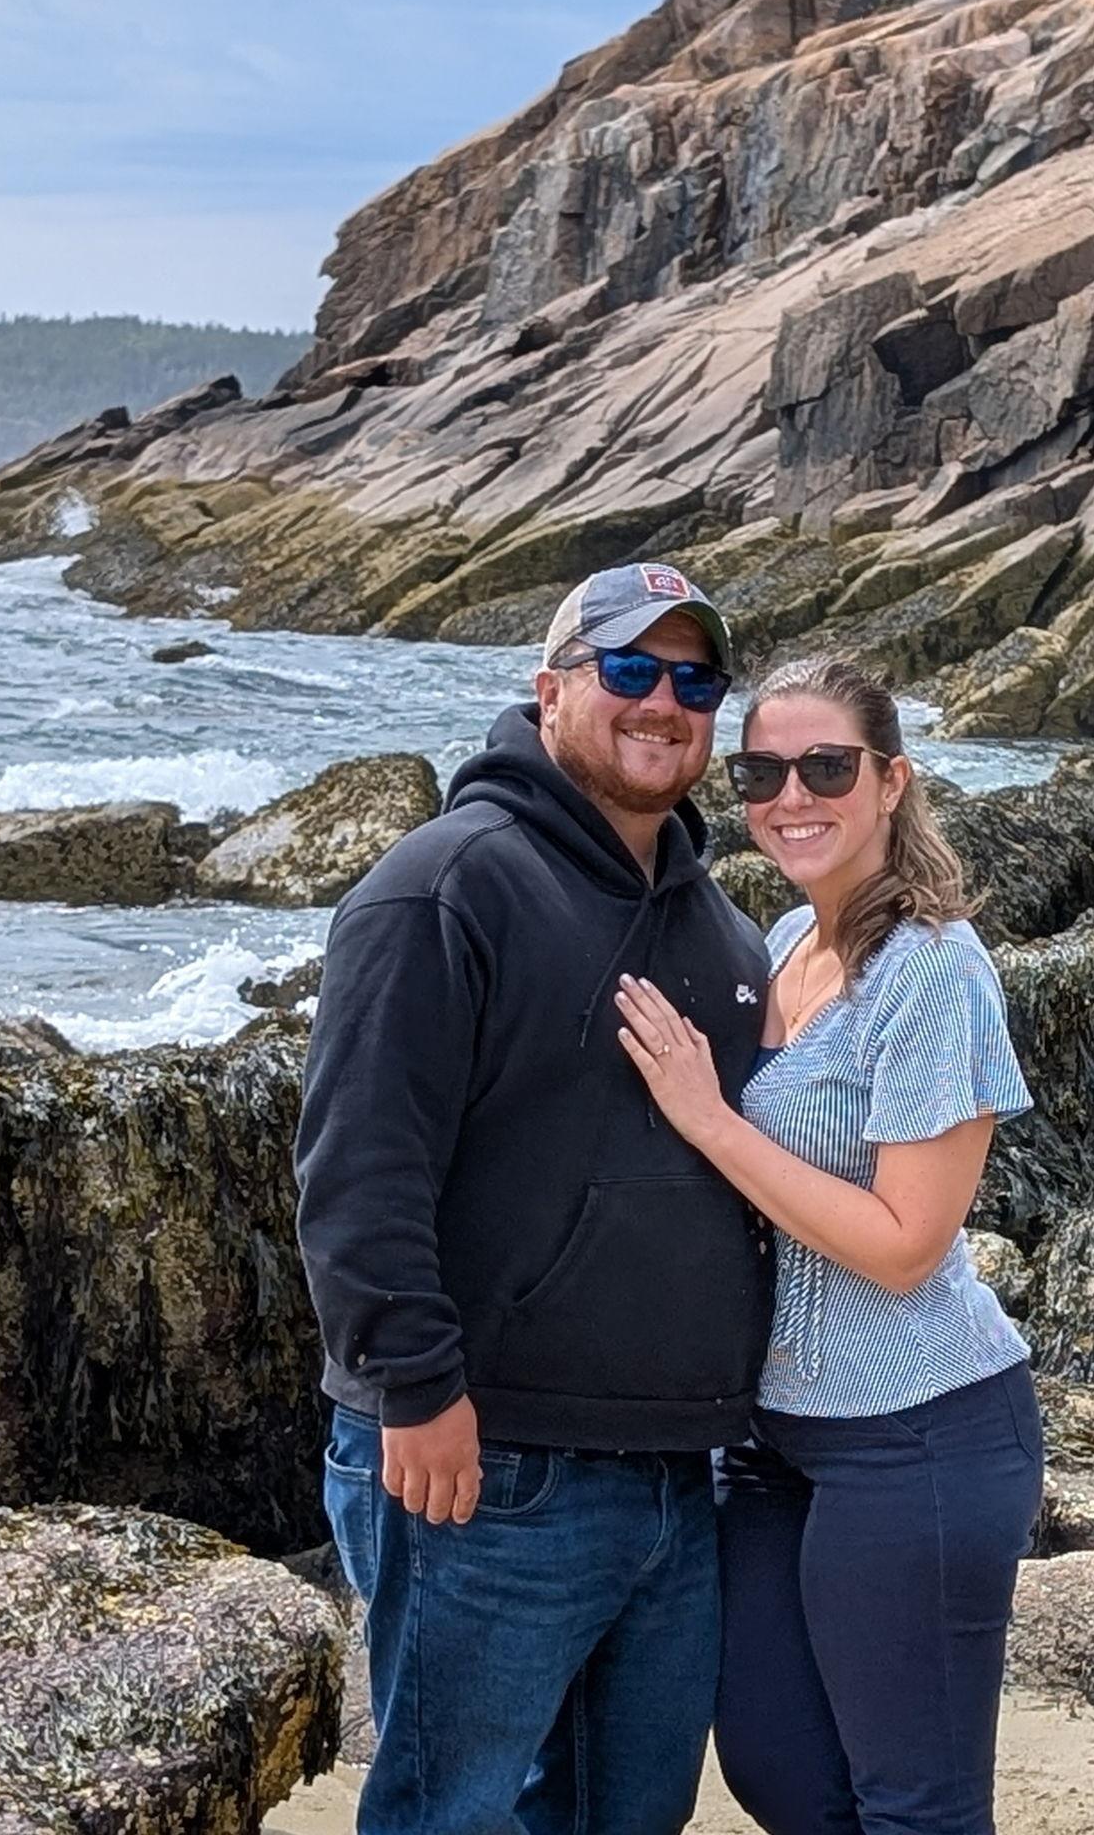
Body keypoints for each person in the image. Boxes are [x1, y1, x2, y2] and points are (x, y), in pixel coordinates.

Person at [294, 562, 775, 1835]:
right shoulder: (445, 886)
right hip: (486, 1466)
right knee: (452, 1812)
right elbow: (358, 1163)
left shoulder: (723, 931)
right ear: (550, 685)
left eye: (693, 678)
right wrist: (414, 1387)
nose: (662, 700)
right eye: (628, 668)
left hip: (679, 1475)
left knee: (631, 1814)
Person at [614, 654, 1043, 1835]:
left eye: (825, 766)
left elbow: (907, 1244)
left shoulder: (935, 971)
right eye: (760, 769)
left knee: (914, 1804)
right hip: (772, 1437)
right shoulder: (789, 935)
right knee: (773, 1762)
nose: (789, 794)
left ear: (891, 780)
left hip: (920, 1433)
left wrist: (704, 1116)